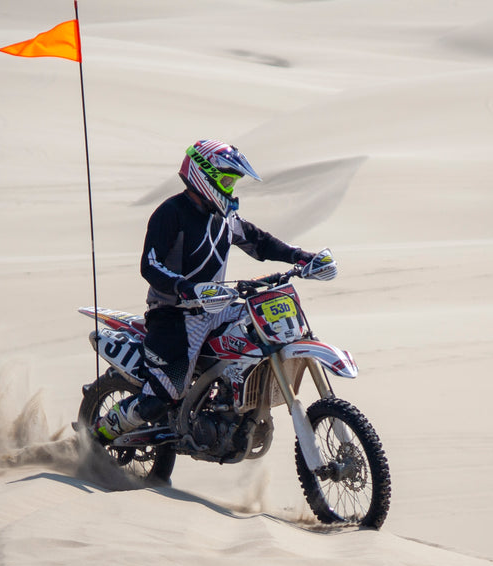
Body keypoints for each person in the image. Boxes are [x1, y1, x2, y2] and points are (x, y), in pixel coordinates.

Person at [93, 139, 322, 442]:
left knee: (259, 332)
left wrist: (300, 256)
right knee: (163, 397)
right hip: (174, 315)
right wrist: (186, 289)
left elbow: (260, 241)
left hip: (216, 307)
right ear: (205, 176)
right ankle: (99, 433)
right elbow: (150, 265)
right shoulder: (171, 212)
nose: (230, 187)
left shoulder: (225, 218)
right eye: (227, 180)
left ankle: (229, 400)